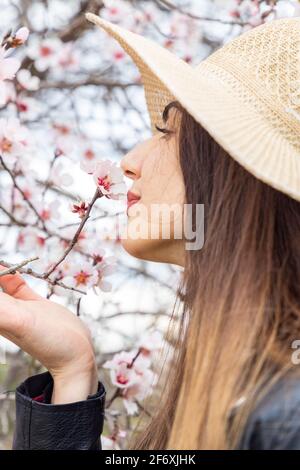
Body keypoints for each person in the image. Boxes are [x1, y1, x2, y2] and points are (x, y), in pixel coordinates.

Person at [1, 13, 300, 450]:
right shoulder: (237, 388)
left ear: (234, 173)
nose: (129, 161)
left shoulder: (284, 419)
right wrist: (72, 371)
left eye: (166, 131)